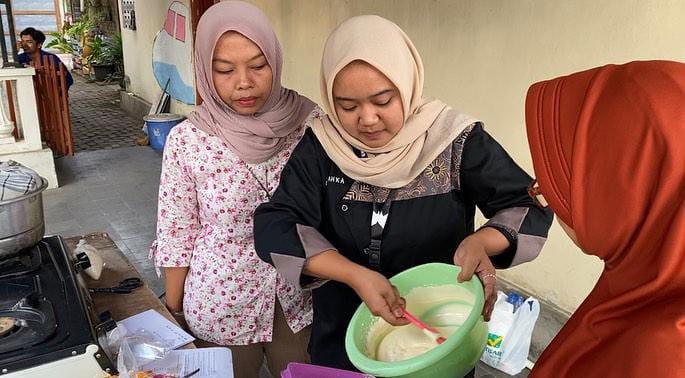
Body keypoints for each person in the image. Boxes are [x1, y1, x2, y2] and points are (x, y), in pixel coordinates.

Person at [254, 15, 553, 371]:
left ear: (407, 83)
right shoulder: (321, 146)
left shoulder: (455, 141)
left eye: (383, 100)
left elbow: (529, 204)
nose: (367, 119)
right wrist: (354, 274)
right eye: (347, 106)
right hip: (343, 338)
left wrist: (481, 242)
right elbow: (275, 224)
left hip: (441, 342)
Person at [150, 2, 318, 377]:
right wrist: (174, 310)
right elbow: (176, 232)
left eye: (258, 65)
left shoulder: (309, 125)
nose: (244, 82)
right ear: (205, 72)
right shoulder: (188, 140)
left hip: (299, 300)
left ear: (276, 60)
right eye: (224, 70)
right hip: (219, 303)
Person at [525, 61, 685, 376]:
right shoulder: (642, 284)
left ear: (620, 196)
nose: (545, 196)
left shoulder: (660, 358)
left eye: (560, 183)